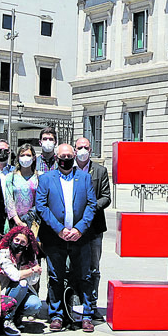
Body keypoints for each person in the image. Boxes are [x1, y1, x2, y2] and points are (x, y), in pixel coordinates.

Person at [35, 144, 98, 331]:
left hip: (81, 237)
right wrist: (59, 230)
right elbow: (41, 206)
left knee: (84, 276)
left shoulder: (85, 178)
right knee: (56, 277)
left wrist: (79, 229)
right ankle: (57, 315)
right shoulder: (46, 179)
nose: (66, 159)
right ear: (56, 157)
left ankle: (85, 315)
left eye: (70, 155)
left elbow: (91, 205)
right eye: (63, 155)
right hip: (55, 238)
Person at [74, 136, 110, 322]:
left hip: (94, 228)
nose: (82, 150)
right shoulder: (68, 168)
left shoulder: (100, 171)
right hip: (73, 228)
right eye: (79, 147)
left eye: (86, 147)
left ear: (91, 149)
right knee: (73, 267)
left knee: (94, 268)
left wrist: (89, 207)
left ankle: (93, 304)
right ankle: (75, 302)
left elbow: (106, 197)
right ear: (74, 150)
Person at [0, 225, 44, 335]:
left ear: (27, 245)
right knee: (22, 282)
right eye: (16, 240)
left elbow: (33, 280)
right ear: (11, 239)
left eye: (23, 242)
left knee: (35, 305)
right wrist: (31, 270)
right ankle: (7, 319)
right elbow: (15, 276)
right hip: (4, 291)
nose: (18, 244)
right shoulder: (4, 253)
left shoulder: (30, 256)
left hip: (22, 292)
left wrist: (28, 272)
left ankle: (16, 316)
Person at [6, 144, 40, 230]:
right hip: (15, 223)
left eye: (28, 155)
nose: (25, 158)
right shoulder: (11, 177)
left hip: (34, 223)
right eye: (22, 155)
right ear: (18, 157)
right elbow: (9, 201)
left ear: (34, 158)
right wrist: (18, 221)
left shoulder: (39, 177)